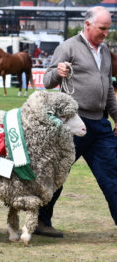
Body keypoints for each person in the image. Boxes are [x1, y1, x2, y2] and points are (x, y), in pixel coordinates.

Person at [36, 6, 117, 238]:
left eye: (108, 29)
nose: (105, 33)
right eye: (102, 28)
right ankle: (41, 222)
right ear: (88, 25)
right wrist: (58, 72)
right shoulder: (68, 47)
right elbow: (47, 81)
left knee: (112, 175)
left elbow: (108, 91)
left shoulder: (104, 52)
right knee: (57, 176)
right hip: (72, 125)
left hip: (100, 126)